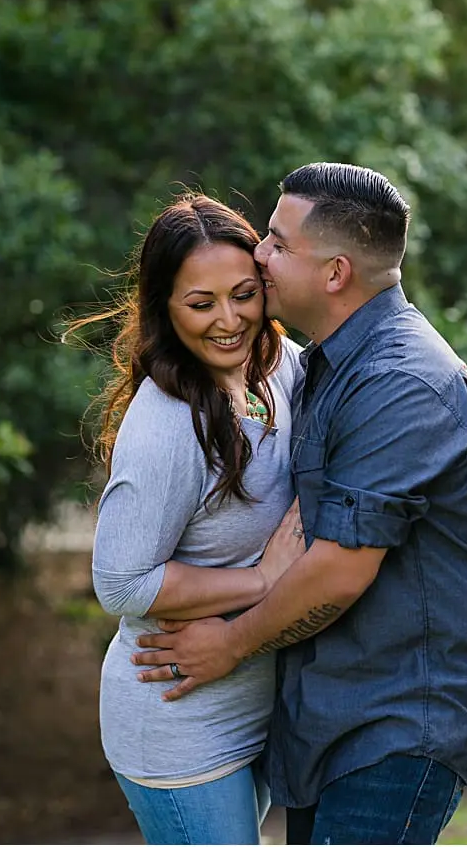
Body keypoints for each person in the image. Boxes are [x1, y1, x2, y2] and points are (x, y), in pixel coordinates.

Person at [132, 163, 467, 845]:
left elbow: (340, 569)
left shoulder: (401, 383)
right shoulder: (326, 364)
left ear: (335, 273)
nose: (260, 254)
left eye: (277, 242)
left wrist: (227, 644)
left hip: (398, 721)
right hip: (335, 712)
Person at [71, 194, 306, 844]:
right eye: (201, 304)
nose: (229, 321)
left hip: (254, 697)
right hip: (178, 720)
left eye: (243, 294)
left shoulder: (278, 363)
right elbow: (121, 583)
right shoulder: (169, 423)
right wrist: (263, 583)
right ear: (165, 310)